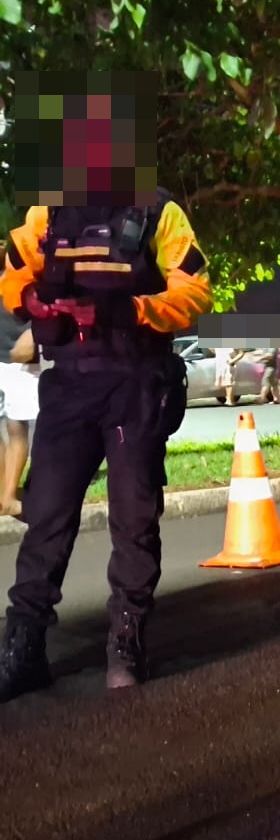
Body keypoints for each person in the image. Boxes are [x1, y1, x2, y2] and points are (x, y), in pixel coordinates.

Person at [0, 186, 212, 698]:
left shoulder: (159, 212)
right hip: (69, 386)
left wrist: (124, 310)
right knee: (45, 518)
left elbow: (196, 293)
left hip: (135, 383)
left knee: (133, 520)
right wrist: (31, 300)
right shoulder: (47, 212)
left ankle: (126, 644)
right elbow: (12, 275)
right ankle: (23, 648)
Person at [0, 320, 41, 515]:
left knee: (16, 427)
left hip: (20, 353)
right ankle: (5, 497)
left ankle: (6, 496)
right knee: (16, 429)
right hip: (18, 351)